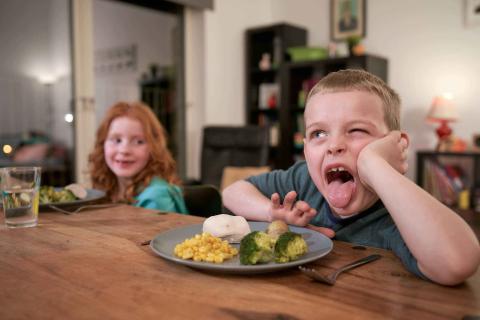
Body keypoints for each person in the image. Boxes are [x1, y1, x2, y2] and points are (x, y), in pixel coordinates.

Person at [223, 69, 480, 285]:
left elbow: (457, 263)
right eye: (318, 134)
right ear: (305, 149)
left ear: (395, 145)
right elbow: (232, 192)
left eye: (356, 130)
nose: (334, 145)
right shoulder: (304, 180)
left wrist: (374, 164)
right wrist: (271, 212)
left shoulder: (401, 212)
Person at [89, 101, 188, 214]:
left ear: (154, 148)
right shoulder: (110, 188)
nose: (124, 150)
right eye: (117, 140)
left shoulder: (155, 199)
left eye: (139, 142)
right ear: (102, 144)